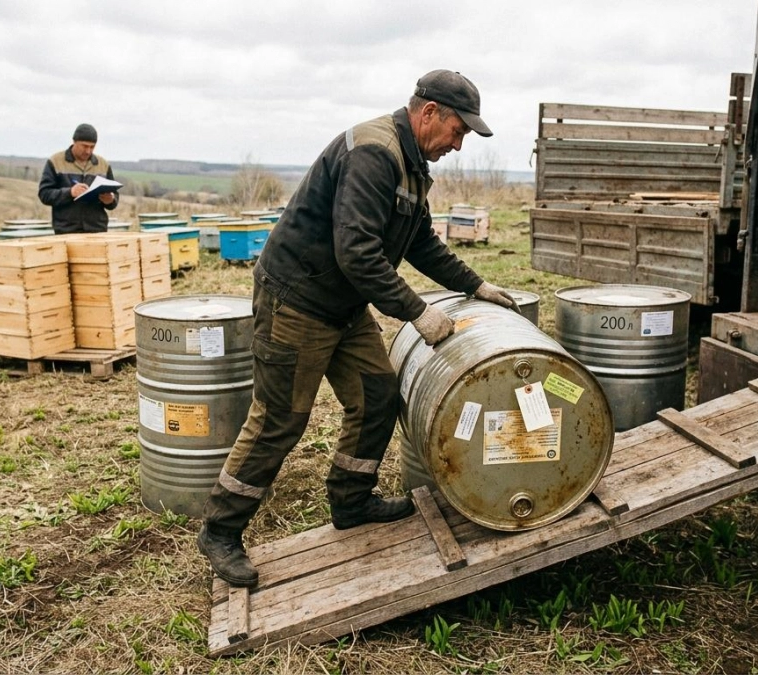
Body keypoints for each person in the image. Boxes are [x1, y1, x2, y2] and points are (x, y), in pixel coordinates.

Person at [197, 69, 520, 588]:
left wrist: (475, 284)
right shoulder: (374, 153)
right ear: (429, 113)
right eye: (458, 131)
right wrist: (418, 312)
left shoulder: (412, 165)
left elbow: (419, 242)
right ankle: (220, 530)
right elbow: (357, 253)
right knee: (280, 419)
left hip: (343, 304)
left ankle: (351, 501)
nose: (458, 145)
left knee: (377, 394)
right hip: (298, 299)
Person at [37, 123, 119, 233]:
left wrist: (111, 200)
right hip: (66, 231)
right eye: (84, 146)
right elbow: (44, 194)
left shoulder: (103, 165)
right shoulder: (55, 162)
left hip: (97, 231)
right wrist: (69, 192)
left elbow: (114, 196)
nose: (88, 151)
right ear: (74, 141)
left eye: (92, 147)